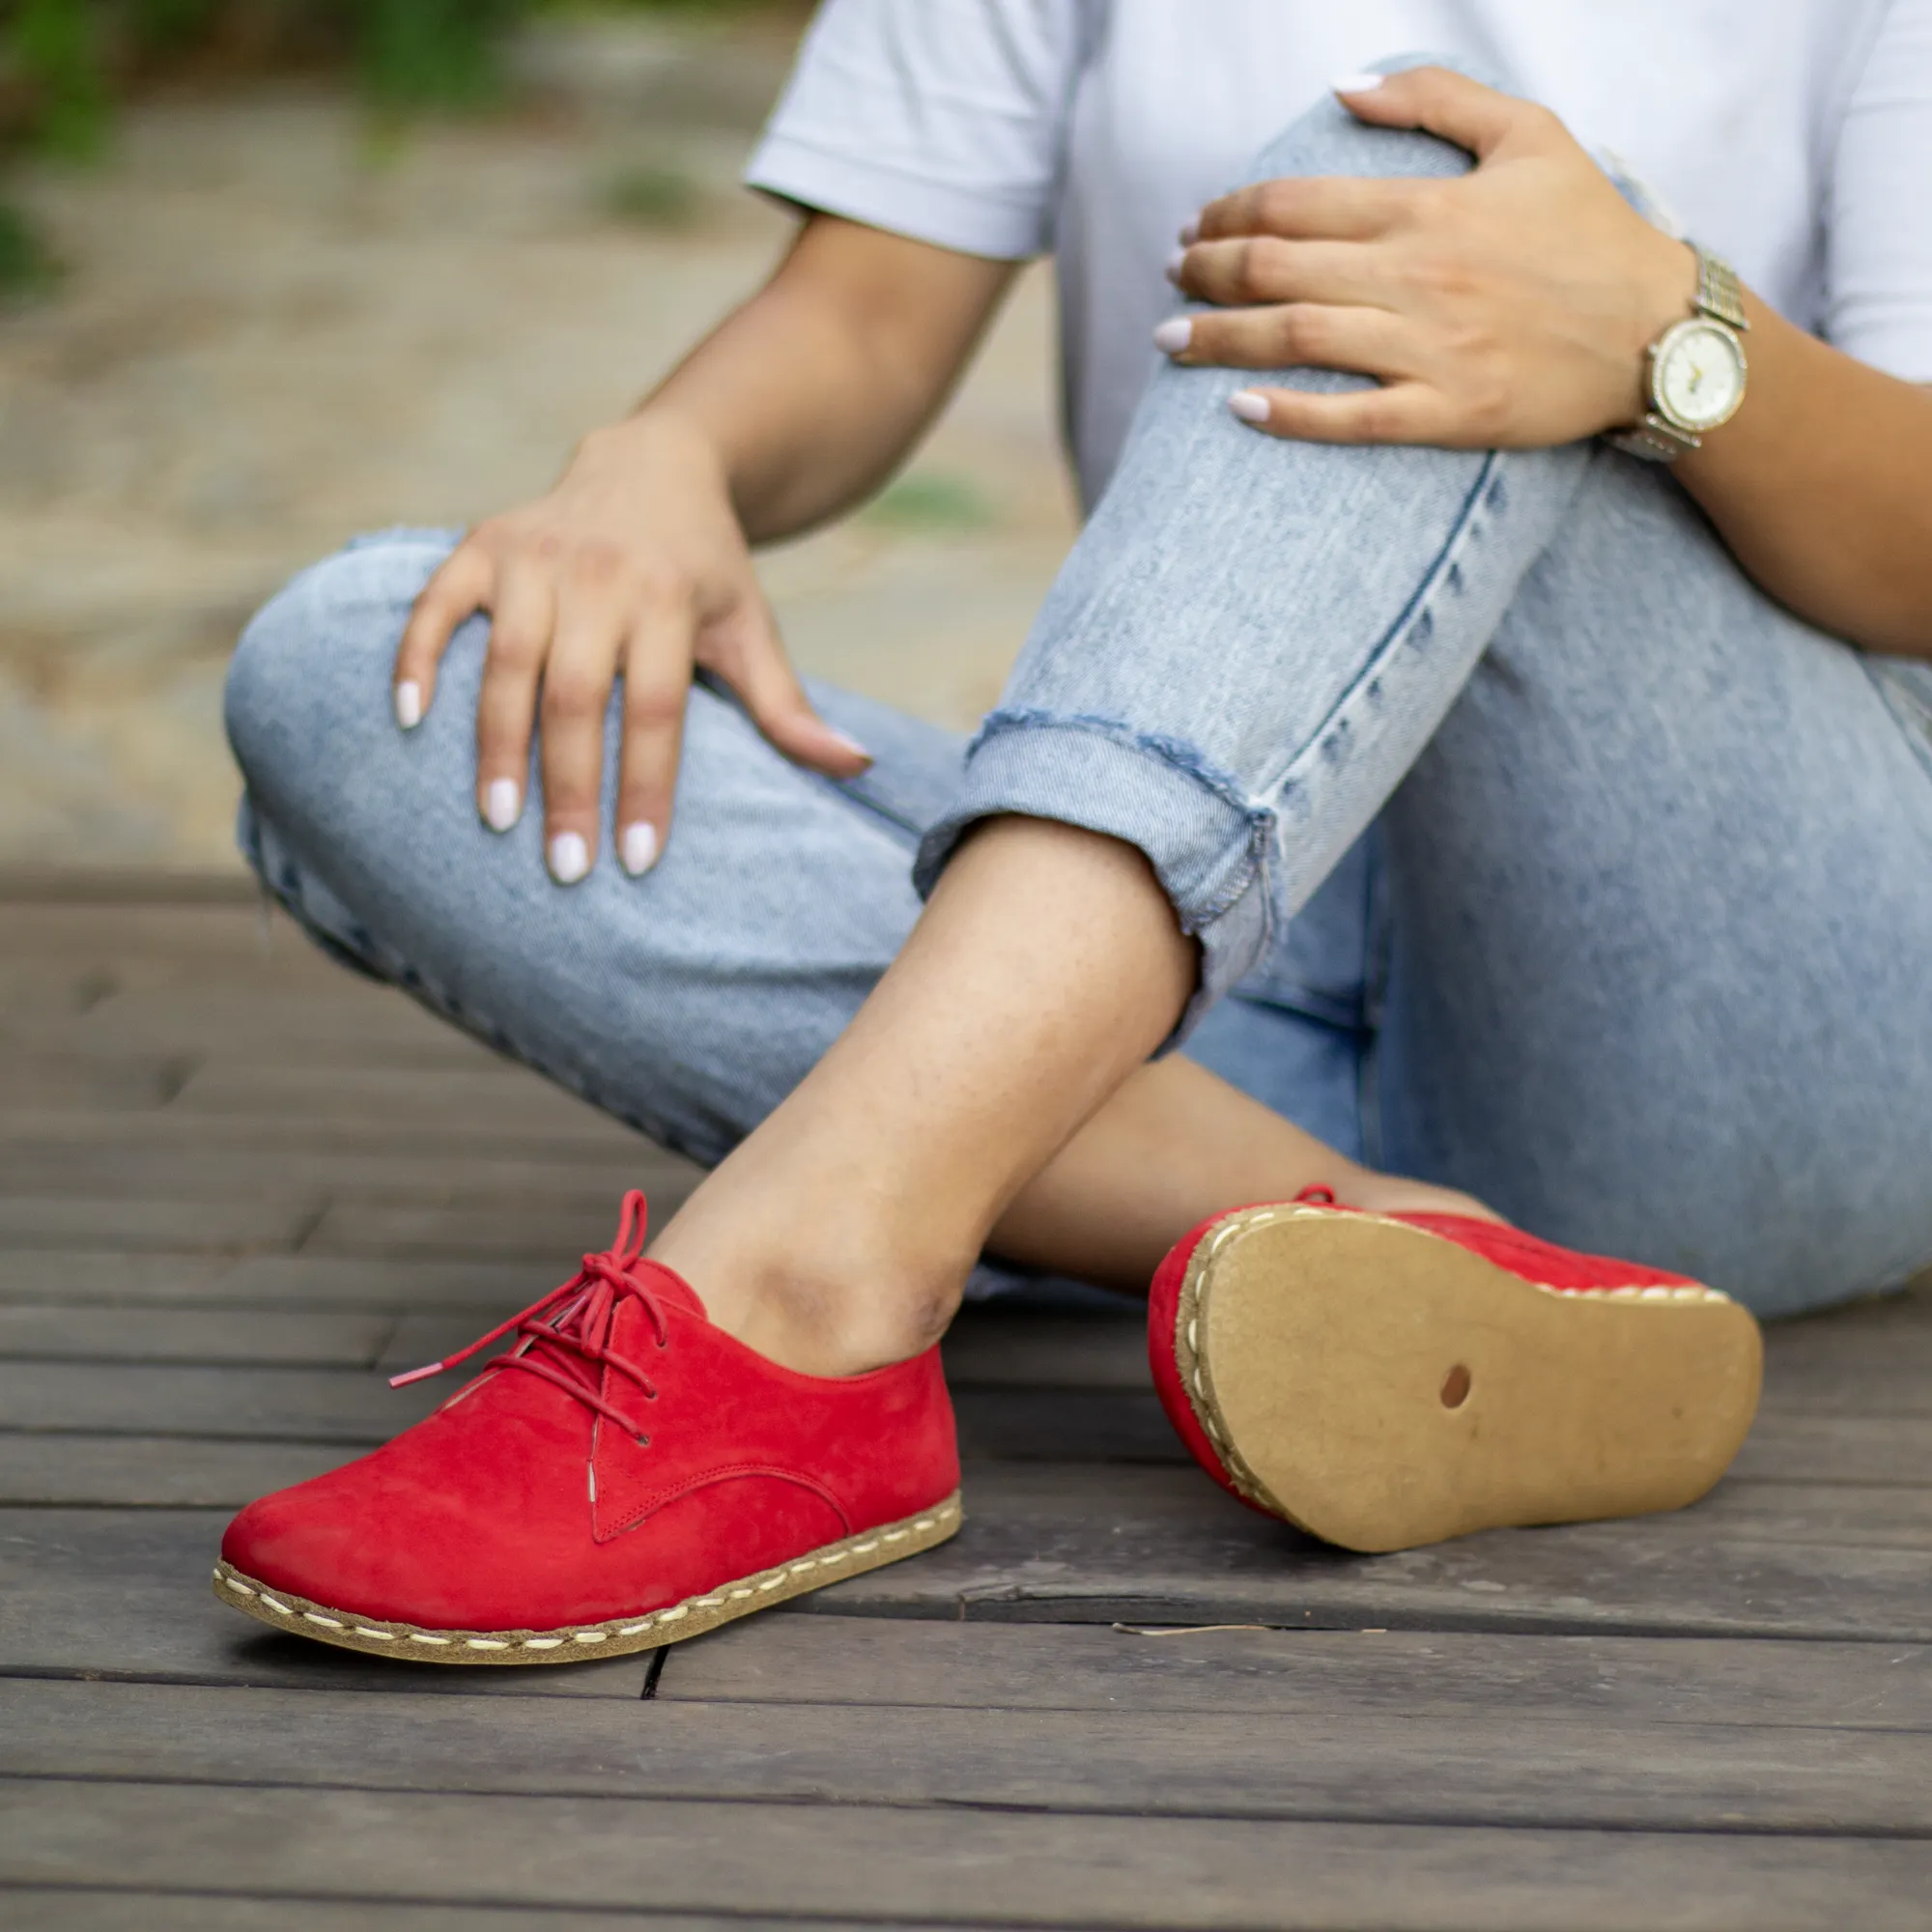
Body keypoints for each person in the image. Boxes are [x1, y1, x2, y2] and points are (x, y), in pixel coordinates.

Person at [211, 2, 1932, 1663]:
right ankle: (1344, 1225)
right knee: (373, 666)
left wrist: (1661, 337)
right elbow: (871, 312)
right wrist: (666, 457)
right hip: (1217, 945)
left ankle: (820, 1280)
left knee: (1410, 180)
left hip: (1742, 993)